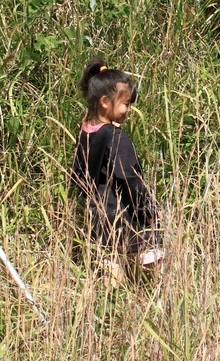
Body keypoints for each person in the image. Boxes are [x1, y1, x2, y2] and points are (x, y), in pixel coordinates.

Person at [70, 58, 163, 278]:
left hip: (98, 217)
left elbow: (77, 175)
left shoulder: (85, 133)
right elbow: (130, 178)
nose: (128, 110)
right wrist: (148, 210)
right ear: (105, 102)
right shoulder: (115, 137)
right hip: (125, 217)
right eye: (126, 104)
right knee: (153, 263)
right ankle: (155, 296)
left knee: (111, 270)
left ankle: (110, 299)